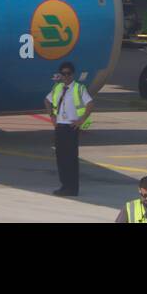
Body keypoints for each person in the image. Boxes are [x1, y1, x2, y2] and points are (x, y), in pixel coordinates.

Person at [44, 61, 91, 197]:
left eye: (68, 74)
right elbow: (47, 101)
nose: (66, 76)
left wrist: (81, 120)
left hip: (71, 126)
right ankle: (64, 185)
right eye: (63, 74)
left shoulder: (78, 88)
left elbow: (90, 103)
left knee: (71, 158)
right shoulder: (57, 88)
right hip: (59, 126)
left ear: (72, 75)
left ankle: (72, 187)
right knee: (61, 157)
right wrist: (52, 116)